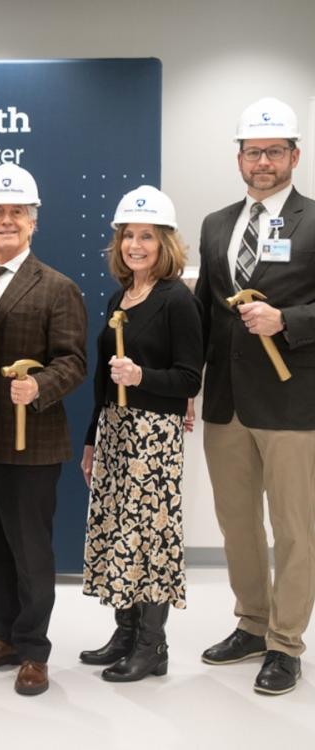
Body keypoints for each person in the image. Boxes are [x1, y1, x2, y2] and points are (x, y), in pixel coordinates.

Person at [196, 97, 315, 696]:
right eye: (253, 152)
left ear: (294, 156)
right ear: (239, 158)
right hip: (226, 402)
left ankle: (287, 643)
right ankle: (253, 622)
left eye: (273, 151)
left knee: (295, 526)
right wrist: (184, 385)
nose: (262, 161)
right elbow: (203, 316)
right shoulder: (217, 224)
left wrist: (288, 320)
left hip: (293, 405)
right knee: (237, 523)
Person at [0, 164, 86, 696]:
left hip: (31, 442)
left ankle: (34, 651)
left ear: (32, 221)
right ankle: (5, 636)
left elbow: (74, 361)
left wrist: (39, 388)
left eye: (15, 212)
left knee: (31, 551)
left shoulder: (58, 286)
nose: (5, 220)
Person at [79, 185, 202, 682]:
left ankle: (153, 646)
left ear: (164, 243)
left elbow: (190, 378)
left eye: (146, 236)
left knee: (149, 537)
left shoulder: (176, 301)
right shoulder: (120, 295)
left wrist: (142, 379)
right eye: (128, 235)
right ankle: (125, 632)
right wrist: (92, 437)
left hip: (154, 437)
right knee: (116, 532)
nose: (135, 245)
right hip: (115, 430)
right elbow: (101, 377)